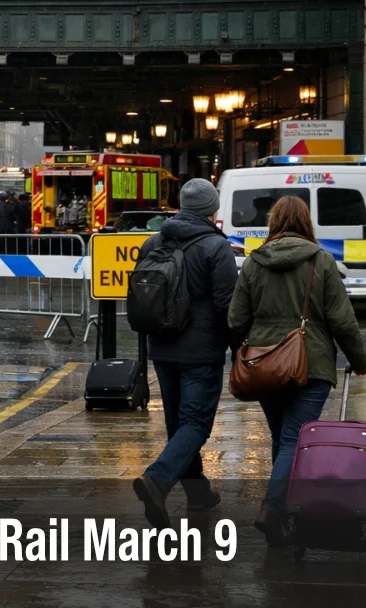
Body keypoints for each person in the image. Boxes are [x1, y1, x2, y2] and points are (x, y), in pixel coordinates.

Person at [227, 195, 366, 546]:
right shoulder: (321, 261)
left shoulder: (253, 263)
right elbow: (341, 319)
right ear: (307, 222)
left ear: (274, 222)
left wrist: (247, 349)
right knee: (294, 439)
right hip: (312, 364)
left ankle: (281, 520)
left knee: (283, 438)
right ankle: (273, 508)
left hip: (264, 365)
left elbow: (235, 319)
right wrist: (360, 361)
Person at [132, 178, 239, 530]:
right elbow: (227, 304)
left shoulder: (153, 241)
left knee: (179, 423)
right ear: (212, 209)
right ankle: (157, 480)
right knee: (195, 423)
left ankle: (198, 493)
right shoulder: (215, 246)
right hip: (201, 351)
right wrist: (239, 348)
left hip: (162, 347)